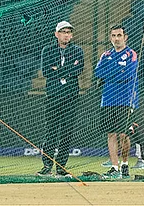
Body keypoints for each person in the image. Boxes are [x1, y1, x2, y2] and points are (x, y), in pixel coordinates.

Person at [36, 21, 85, 177]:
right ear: (56, 34)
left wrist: (58, 70)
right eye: (63, 32)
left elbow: (78, 70)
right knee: (50, 131)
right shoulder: (48, 50)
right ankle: (47, 165)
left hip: (70, 96)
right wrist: (68, 70)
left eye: (68, 32)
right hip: (53, 96)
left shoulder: (78, 50)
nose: (66, 35)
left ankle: (61, 166)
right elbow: (46, 71)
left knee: (66, 132)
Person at [94, 24, 138, 179]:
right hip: (107, 99)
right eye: (113, 36)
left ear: (125, 37)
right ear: (110, 38)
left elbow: (127, 74)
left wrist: (109, 74)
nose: (116, 39)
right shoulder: (105, 55)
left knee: (123, 134)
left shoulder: (131, 54)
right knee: (111, 134)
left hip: (126, 99)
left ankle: (125, 164)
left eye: (119, 35)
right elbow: (97, 72)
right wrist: (117, 70)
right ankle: (114, 167)